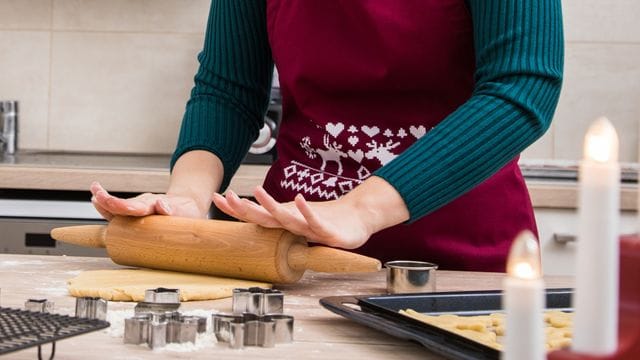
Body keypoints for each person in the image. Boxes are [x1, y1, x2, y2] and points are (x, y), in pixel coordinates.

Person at [91, 0, 564, 272]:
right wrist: (188, 197)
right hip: (289, 254)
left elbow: (521, 88)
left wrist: (360, 209)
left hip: (457, 259)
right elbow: (227, 89)